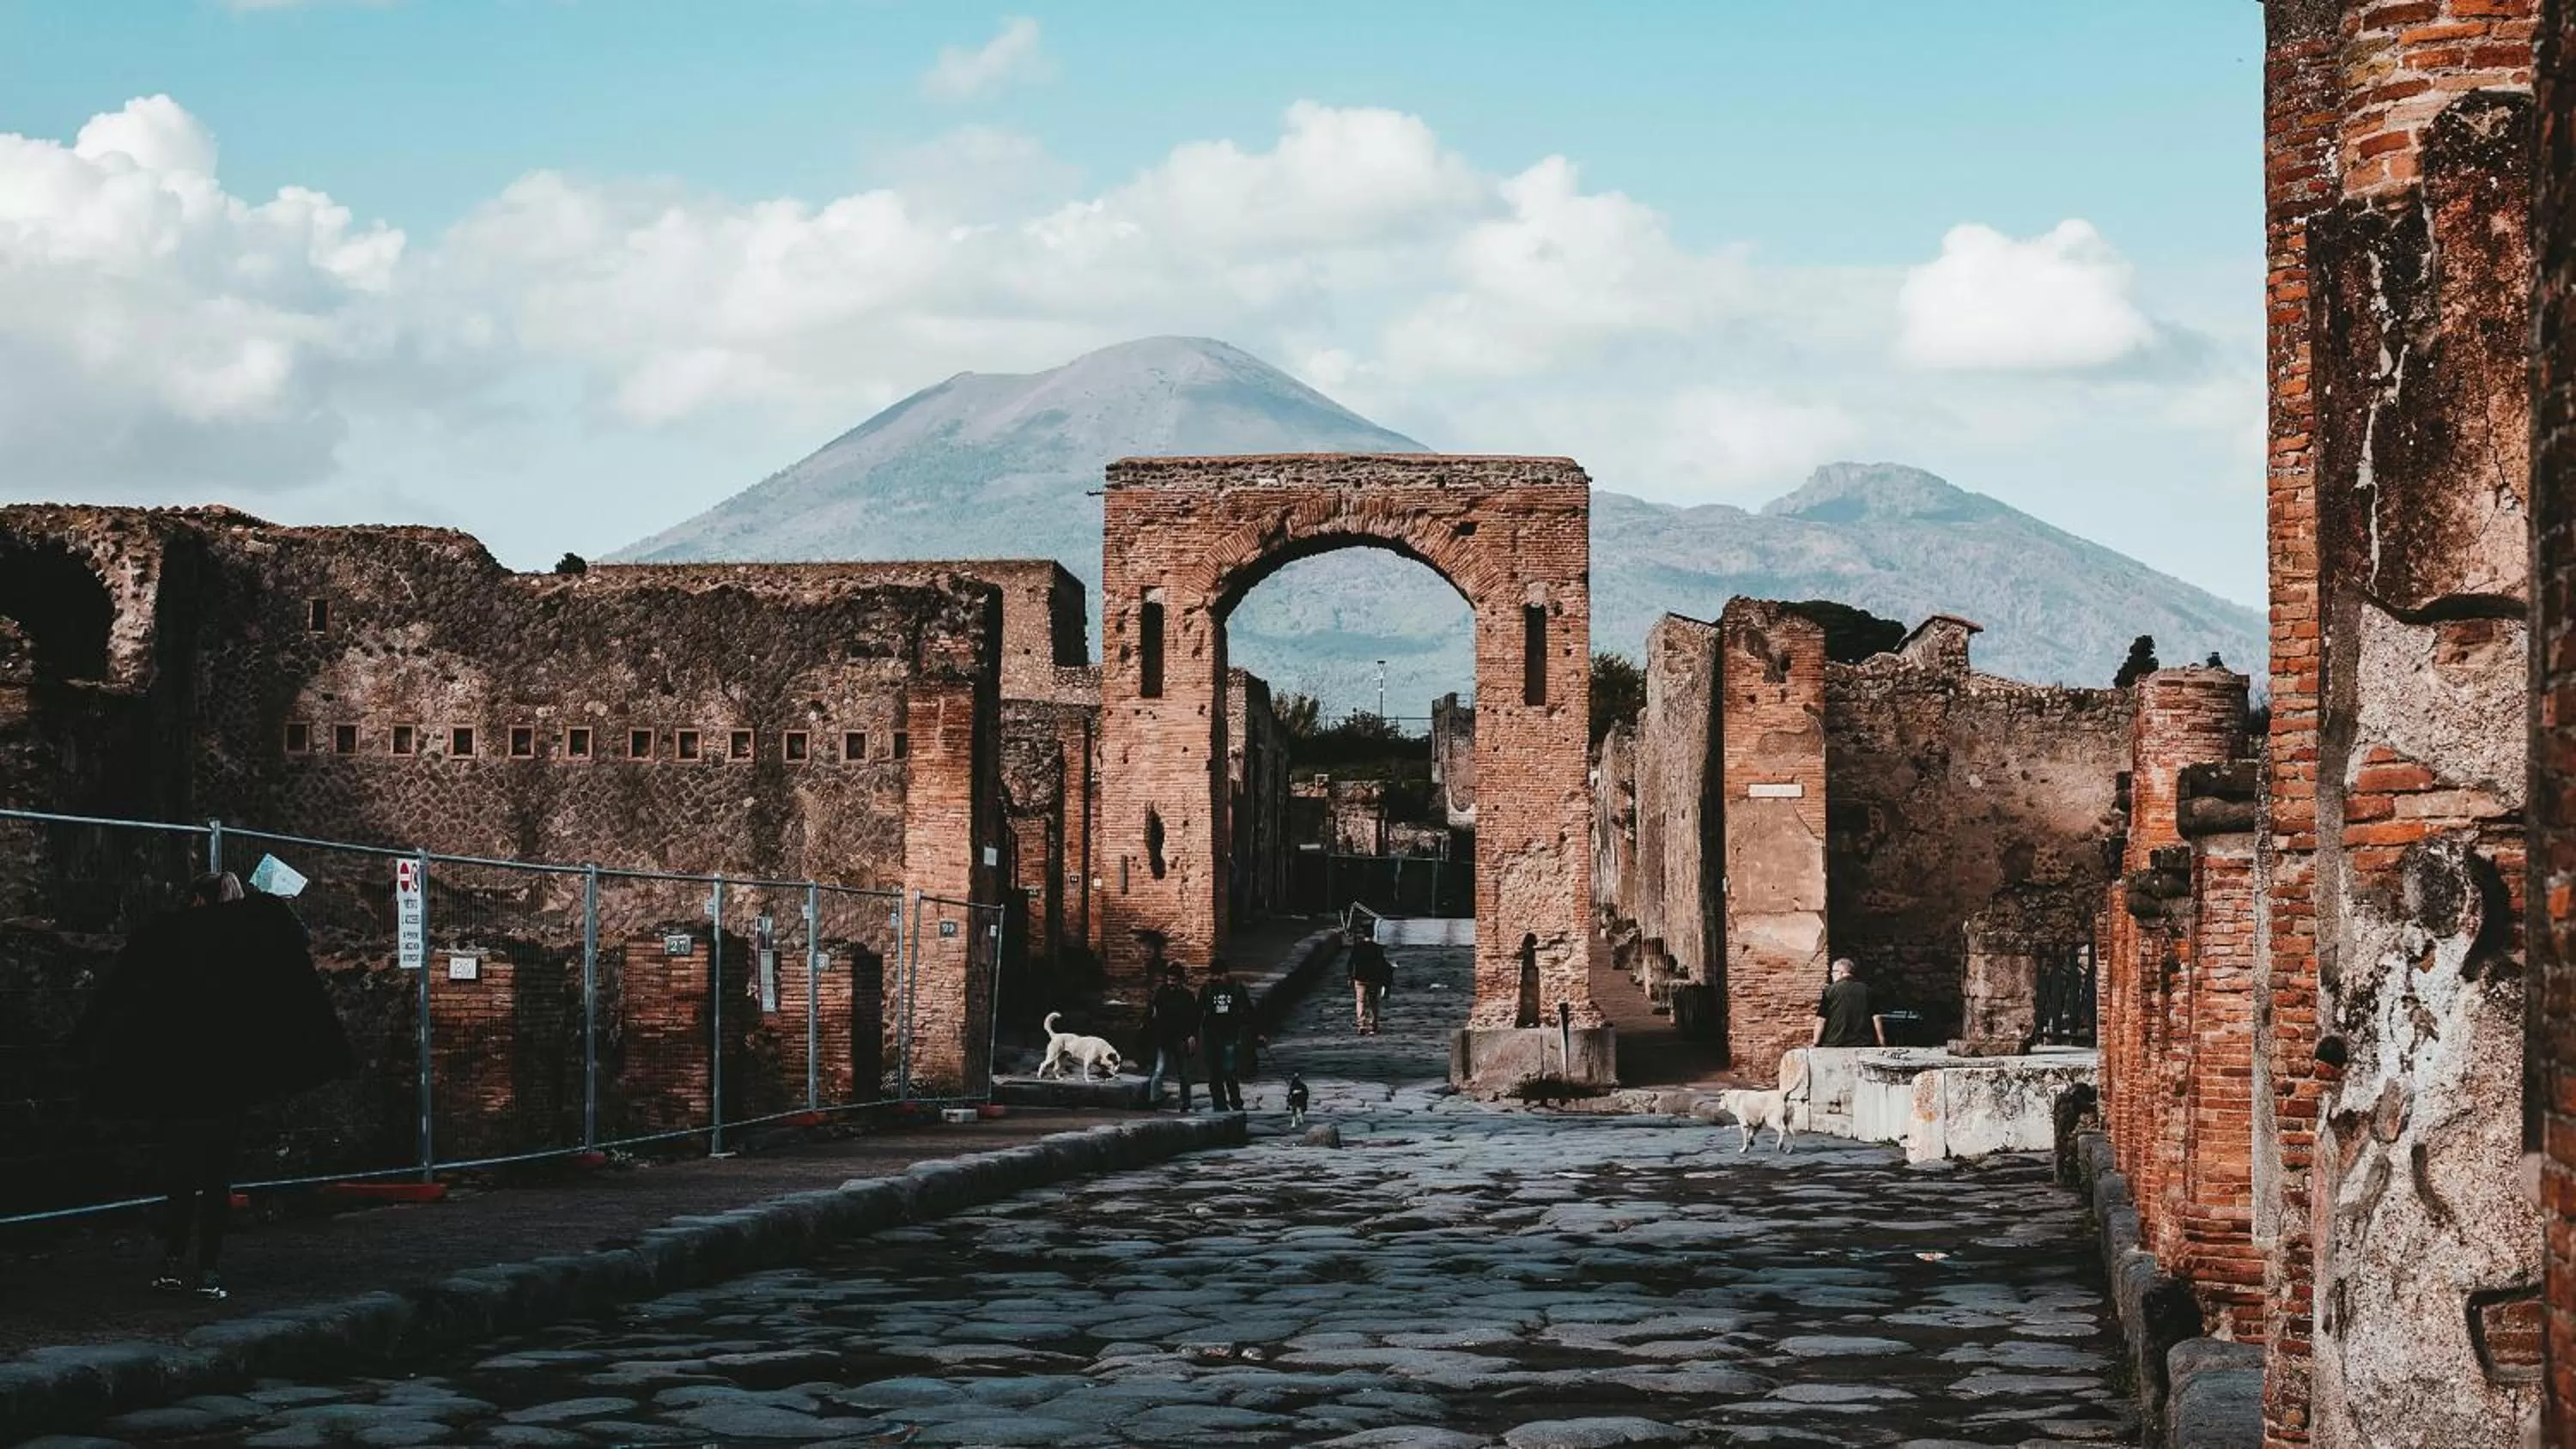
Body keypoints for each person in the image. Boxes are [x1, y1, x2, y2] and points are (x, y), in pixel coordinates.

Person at [74, 871, 355, 1300]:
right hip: (226, 1083)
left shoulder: (174, 940)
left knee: (181, 1177)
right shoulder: (249, 947)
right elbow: (293, 941)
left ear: (200, 901)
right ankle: (207, 1268)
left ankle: (175, 1261)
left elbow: (133, 988)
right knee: (214, 1179)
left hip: (181, 1081)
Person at [1195, 959, 1259, 1113]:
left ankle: (1236, 1102)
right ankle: (1219, 1105)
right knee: (1214, 1074)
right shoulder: (1207, 989)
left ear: (1225, 974)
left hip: (1230, 1034)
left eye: (1218, 975)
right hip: (1211, 1035)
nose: (1216, 979)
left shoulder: (1236, 988)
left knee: (1230, 1071)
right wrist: (1192, 1034)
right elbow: (1198, 1012)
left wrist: (1258, 1032)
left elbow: (1249, 1011)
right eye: (1213, 976)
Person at [1143, 963, 1201, 1110]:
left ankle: (1185, 1103)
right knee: (1159, 1070)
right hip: (1164, 1037)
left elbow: (1193, 1018)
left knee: (1184, 1073)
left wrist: (1192, 1036)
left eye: (1174, 980)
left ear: (1180, 980)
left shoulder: (1187, 996)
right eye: (1169, 979)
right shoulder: (1161, 993)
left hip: (1180, 1038)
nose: (1170, 983)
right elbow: (1154, 1014)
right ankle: (1154, 1100)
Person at [1813, 957, 1886, 1049]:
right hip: (1863, 1043)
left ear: (1840, 972)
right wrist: (1881, 1041)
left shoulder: (1829, 991)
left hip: (1835, 1043)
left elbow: (1821, 1019)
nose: (1831, 975)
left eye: (1833, 972)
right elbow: (1876, 1018)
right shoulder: (1867, 990)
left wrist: (1815, 1042)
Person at [1346, 928, 1393, 1036]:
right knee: (1373, 1002)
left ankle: (1361, 1025)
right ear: (1373, 934)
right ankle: (1373, 1026)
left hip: (1359, 978)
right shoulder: (1377, 948)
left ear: (1363, 935)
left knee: (1360, 1002)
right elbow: (1382, 964)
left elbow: (1350, 963)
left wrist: (1350, 976)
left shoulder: (1357, 947)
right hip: (1373, 979)